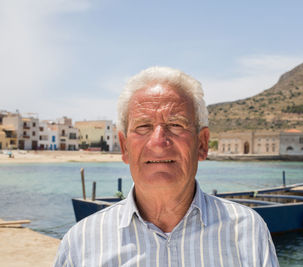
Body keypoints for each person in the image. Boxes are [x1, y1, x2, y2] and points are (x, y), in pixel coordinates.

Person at [54, 66, 279, 266]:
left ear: (202, 144)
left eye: (175, 124)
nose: (159, 143)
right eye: (143, 127)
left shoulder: (248, 232)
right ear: (124, 147)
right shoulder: (81, 244)